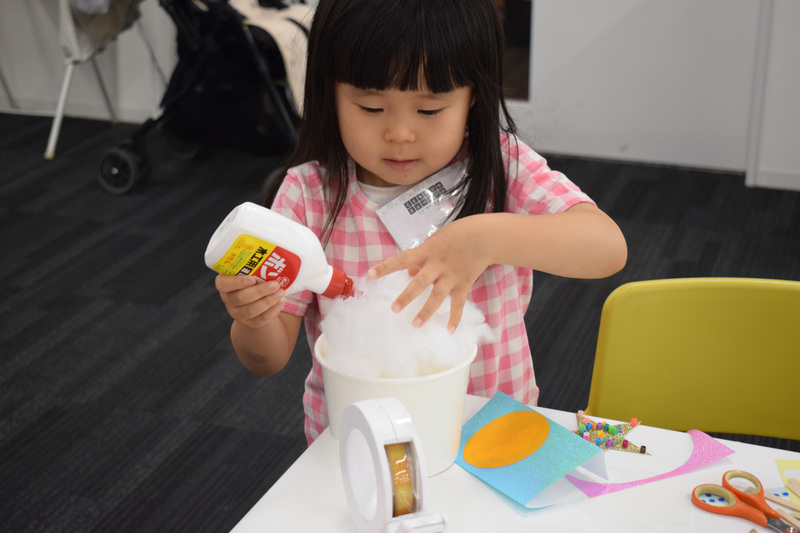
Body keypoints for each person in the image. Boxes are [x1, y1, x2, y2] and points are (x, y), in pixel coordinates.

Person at [214, 0, 627, 443]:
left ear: (473, 97)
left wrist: (487, 236)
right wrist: (254, 318)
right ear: (329, 94)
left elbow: (607, 248)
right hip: (361, 440)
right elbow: (267, 360)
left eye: (429, 111)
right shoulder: (309, 194)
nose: (400, 134)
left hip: (491, 431)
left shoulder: (500, 164)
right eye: (370, 107)